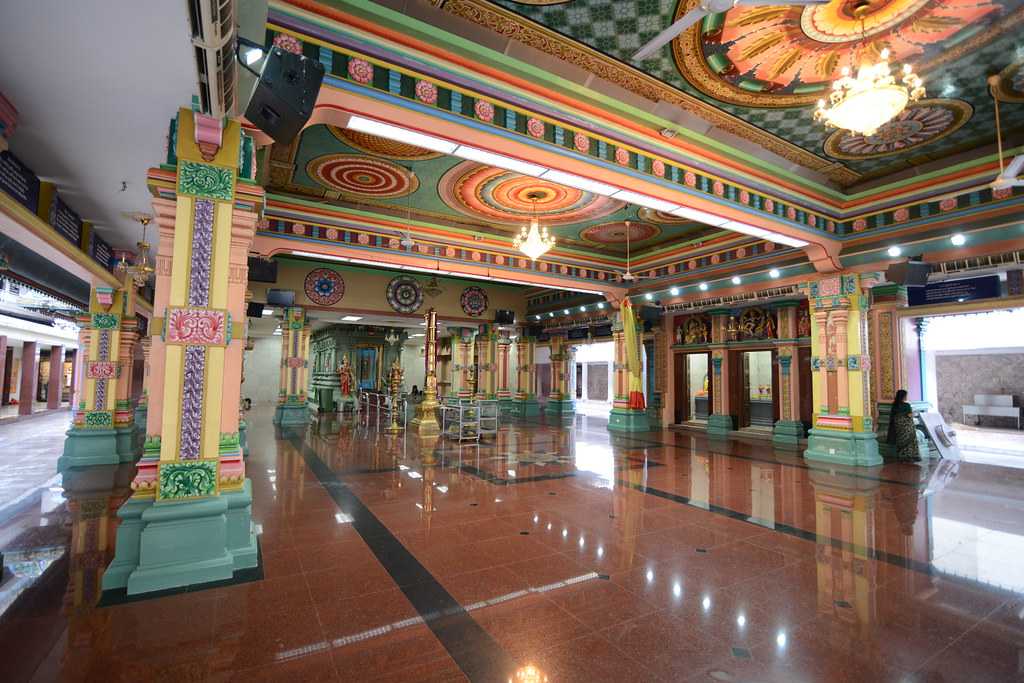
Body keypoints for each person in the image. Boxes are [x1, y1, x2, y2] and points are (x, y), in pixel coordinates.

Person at [887, 389, 921, 462]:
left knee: (901, 440)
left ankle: (901, 456)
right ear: (903, 396)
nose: (906, 397)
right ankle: (910, 456)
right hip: (907, 427)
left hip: (898, 427)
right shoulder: (906, 405)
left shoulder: (894, 405)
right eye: (906, 395)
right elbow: (909, 415)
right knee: (910, 439)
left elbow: (893, 417)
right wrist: (915, 413)